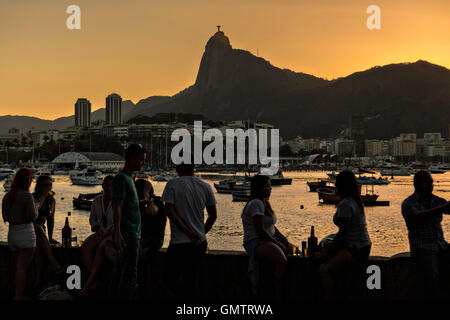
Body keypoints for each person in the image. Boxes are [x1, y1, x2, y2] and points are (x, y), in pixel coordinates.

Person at [161, 161, 217, 298]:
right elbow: (213, 216)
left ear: (180, 167)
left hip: (179, 243)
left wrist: (187, 232)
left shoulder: (172, 184)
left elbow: (170, 212)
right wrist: (200, 233)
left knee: (168, 278)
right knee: (193, 281)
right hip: (199, 243)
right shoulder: (205, 186)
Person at [317, 170, 371, 300]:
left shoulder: (345, 204)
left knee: (323, 270)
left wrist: (327, 250)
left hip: (356, 249)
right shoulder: (356, 201)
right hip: (363, 245)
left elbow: (343, 232)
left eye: (337, 184)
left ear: (341, 186)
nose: (335, 186)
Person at [241, 174, 294, 300]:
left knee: (292, 251)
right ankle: (277, 294)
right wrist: (278, 243)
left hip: (267, 238)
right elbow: (260, 230)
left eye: (270, 187)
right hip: (256, 241)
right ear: (258, 188)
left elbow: (272, 227)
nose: (270, 189)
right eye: (267, 186)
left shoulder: (265, 203)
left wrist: (284, 240)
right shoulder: (256, 203)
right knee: (282, 261)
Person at [401, 170, 450, 298]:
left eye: (431, 182)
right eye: (427, 182)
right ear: (417, 185)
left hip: (441, 244)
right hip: (422, 247)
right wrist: (444, 208)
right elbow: (418, 216)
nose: (430, 185)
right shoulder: (408, 203)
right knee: (432, 276)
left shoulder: (437, 200)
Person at [109, 144, 147, 299]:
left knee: (122, 270)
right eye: (140, 160)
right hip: (127, 233)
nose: (142, 163)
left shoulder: (130, 178)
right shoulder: (121, 178)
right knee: (129, 273)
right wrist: (117, 233)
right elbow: (117, 207)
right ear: (131, 158)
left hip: (133, 232)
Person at [2, 168, 44, 299]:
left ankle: (15, 293)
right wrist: (36, 207)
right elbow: (32, 217)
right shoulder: (26, 196)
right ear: (27, 181)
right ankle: (18, 296)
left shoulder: (7, 196)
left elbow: (6, 216)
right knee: (22, 269)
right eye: (31, 179)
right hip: (26, 233)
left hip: (12, 234)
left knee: (16, 268)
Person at [32, 175, 63, 290]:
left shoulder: (52, 200)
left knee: (39, 251)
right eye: (45, 185)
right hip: (30, 227)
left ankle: (38, 282)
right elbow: (35, 210)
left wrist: (50, 237)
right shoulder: (33, 197)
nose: (48, 187)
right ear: (39, 186)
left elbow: (51, 219)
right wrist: (44, 196)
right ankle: (53, 262)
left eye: (50, 185)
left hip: (41, 231)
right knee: (38, 228)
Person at [80, 175, 114, 272]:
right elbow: (92, 218)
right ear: (102, 186)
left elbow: (119, 222)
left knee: (102, 248)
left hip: (112, 234)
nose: (109, 189)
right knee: (84, 248)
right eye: (106, 186)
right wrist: (97, 228)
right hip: (100, 232)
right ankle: (93, 275)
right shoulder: (96, 200)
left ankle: (95, 277)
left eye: (111, 186)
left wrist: (106, 233)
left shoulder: (118, 202)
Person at [135, 179, 166, 258]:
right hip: (140, 239)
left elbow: (152, 211)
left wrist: (146, 195)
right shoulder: (138, 203)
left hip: (154, 239)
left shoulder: (157, 201)